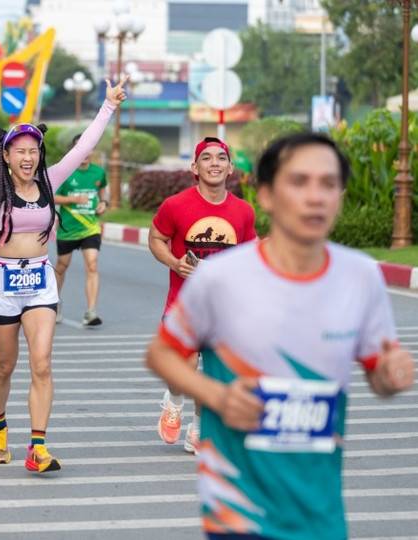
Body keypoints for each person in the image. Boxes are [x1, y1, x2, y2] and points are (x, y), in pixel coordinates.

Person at [145, 132, 415, 540]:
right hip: (239, 508)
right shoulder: (219, 279)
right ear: (267, 196)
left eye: (328, 184)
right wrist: (218, 397)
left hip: (320, 511)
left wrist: (393, 375)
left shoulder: (359, 277)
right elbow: (162, 354)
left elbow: (381, 374)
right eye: (298, 182)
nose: (315, 196)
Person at [0, 73, 128, 472]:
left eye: (33, 150)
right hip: (3, 282)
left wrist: (109, 106)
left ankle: (37, 448)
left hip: (39, 281)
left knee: (43, 363)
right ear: (5, 155)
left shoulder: (51, 182)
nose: (28, 157)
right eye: (19, 150)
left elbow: (85, 144)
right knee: (5, 365)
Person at [148, 136, 256, 454]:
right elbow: (156, 237)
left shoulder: (243, 211)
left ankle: (198, 429)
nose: (215, 163)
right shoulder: (176, 205)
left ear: (230, 167)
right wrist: (173, 262)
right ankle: (174, 401)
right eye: (207, 158)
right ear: (195, 167)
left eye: (221, 158)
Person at [53, 133, 108, 327]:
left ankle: (91, 311)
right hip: (68, 228)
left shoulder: (99, 172)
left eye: (88, 148)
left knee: (92, 265)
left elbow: (102, 190)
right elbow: (52, 197)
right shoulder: (65, 172)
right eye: (80, 148)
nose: (85, 153)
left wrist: (103, 202)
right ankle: (55, 303)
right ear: (73, 150)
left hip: (90, 227)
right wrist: (73, 199)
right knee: (61, 266)